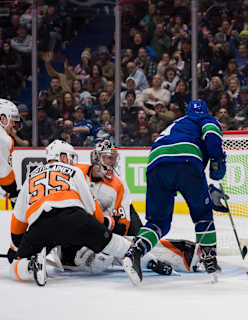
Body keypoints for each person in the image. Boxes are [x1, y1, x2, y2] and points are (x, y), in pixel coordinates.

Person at [8, 140, 149, 286]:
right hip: (74, 217)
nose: (72, 161)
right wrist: (104, 225)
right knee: (109, 242)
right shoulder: (75, 171)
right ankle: (134, 253)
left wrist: (18, 246)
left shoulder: (29, 178)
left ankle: (30, 265)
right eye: (70, 157)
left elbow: (17, 221)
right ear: (62, 157)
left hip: (40, 224)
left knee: (15, 266)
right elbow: (92, 209)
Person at [122, 100, 226, 285]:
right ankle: (210, 261)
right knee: (202, 214)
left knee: (158, 222)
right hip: (186, 161)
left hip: (155, 164)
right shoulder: (206, 118)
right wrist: (218, 160)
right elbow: (211, 135)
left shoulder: (178, 123)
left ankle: (135, 252)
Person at [58, 140, 199, 273]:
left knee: (137, 239)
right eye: (108, 158)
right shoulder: (77, 172)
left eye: (113, 158)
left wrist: (107, 229)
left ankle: (173, 256)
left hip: (114, 219)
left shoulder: (118, 185)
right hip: (84, 219)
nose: (111, 162)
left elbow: (122, 224)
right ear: (96, 158)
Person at [0, 99, 21, 206]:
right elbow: (4, 174)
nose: (13, 123)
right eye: (11, 119)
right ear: (3, 118)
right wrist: (13, 191)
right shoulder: (4, 139)